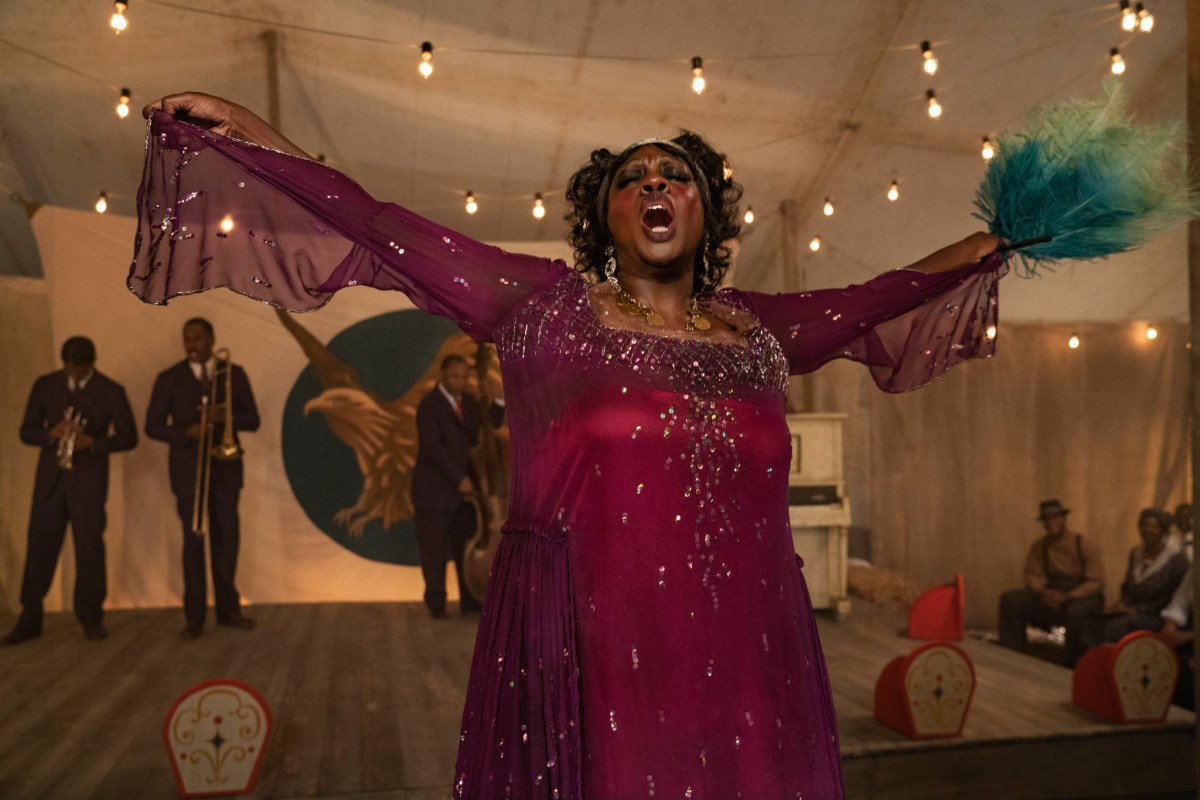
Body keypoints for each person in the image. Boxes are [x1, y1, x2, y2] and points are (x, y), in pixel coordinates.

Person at [131, 92, 1003, 798]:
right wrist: (253, 133)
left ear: (707, 209)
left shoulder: (762, 331)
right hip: (604, 651)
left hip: (754, 652)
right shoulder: (544, 309)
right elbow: (378, 224)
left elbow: (885, 296)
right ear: (605, 215)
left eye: (678, 176)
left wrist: (997, 239)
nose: (656, 185)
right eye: (634, 179)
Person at [2, 336, 137, 645]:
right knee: (39, 549)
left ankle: (91, 618)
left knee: (89, 551)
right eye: (68, 370)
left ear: (91, 363)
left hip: (88, 482)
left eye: (78, 371)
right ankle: (30, 617)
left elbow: (129, 436)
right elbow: (26, 431)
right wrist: (51, 433)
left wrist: (94, 443)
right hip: (51, 482)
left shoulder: (110, 391)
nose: (72, 376)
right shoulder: (45, 385)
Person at [145, 317, 260, 640]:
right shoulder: (169, 378)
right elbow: (152, 426)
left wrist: (229, 417)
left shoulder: (233, 374)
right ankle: (194, 617)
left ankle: (228, 610)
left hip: (225, 471)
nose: (191, 344)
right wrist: (186, 432)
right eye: (187, 339)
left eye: (197, 338)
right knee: (193, 545)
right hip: (188, 472)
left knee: (227, 541)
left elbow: (254, 420)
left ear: (211, 339)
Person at [412, 354, 503, 618]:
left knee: (464, 547)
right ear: (443, 375)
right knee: (434, 552)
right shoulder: (429, 406)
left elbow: (489, 426)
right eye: (455, 376)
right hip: (434, 492)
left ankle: (470, 600)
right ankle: (436, 603)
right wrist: (458, 478)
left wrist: (497, 400)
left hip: (466, 496)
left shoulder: (470, 403)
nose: (460, 381)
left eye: (464, 377)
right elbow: (434, 448)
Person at [997, 499, 1104, 666]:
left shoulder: (1084, 543)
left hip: (1081, 595)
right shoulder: (1040, 546)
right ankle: (1013, 654)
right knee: (1010, 599)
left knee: (1076, 613)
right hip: (1051, 594)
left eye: (1055, 518)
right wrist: (1042, 592)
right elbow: (1032, 574)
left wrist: (1069, 596)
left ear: (1063, 518)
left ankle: (1070, 662)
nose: (1050, 523)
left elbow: (1096, 581)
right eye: (1046, 520)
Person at [1102, 508, 1190, 642]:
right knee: (1093, 619)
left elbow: (1175, 598)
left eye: (1154, 527)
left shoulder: (1177, 561)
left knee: (1119, 625)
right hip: (1130, 611)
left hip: (1158, 616)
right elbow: (1127, 585)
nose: (1148, 530)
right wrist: (1121, 604)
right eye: (1144, 525)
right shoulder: (1136, 553)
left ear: (1163, 531)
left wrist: (1135, 610)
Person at [1160, 569, 1194, 710]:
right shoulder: (1196, 569)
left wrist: (1190, 637)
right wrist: (1170, 628)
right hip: (1188, 632)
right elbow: (1180, 602)